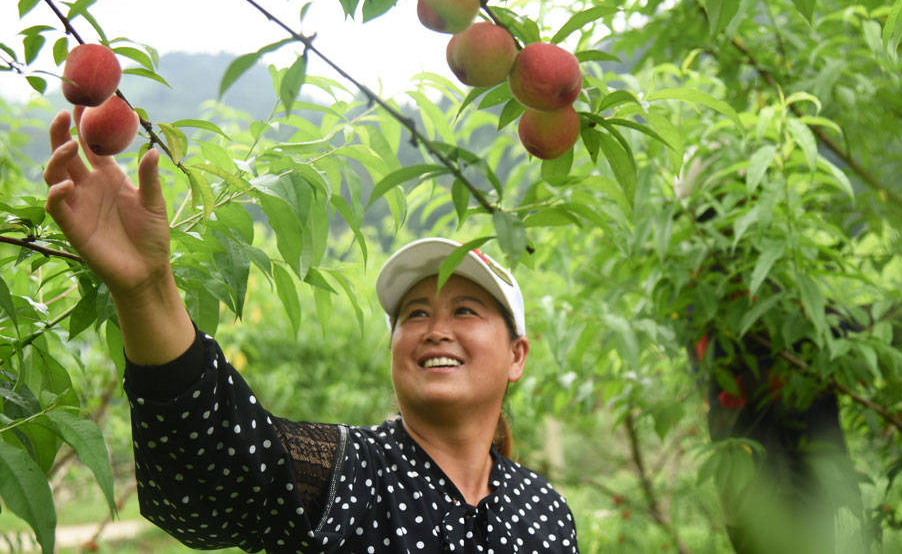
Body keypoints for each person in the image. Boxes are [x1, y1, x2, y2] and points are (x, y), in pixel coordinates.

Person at [43, 108, 579, 553]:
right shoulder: (348, 473)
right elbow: (215, 463)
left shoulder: (546, 512)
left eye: (465, 311)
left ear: (517, 355)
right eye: (415, 314)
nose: (436, 329)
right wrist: (146, 289)